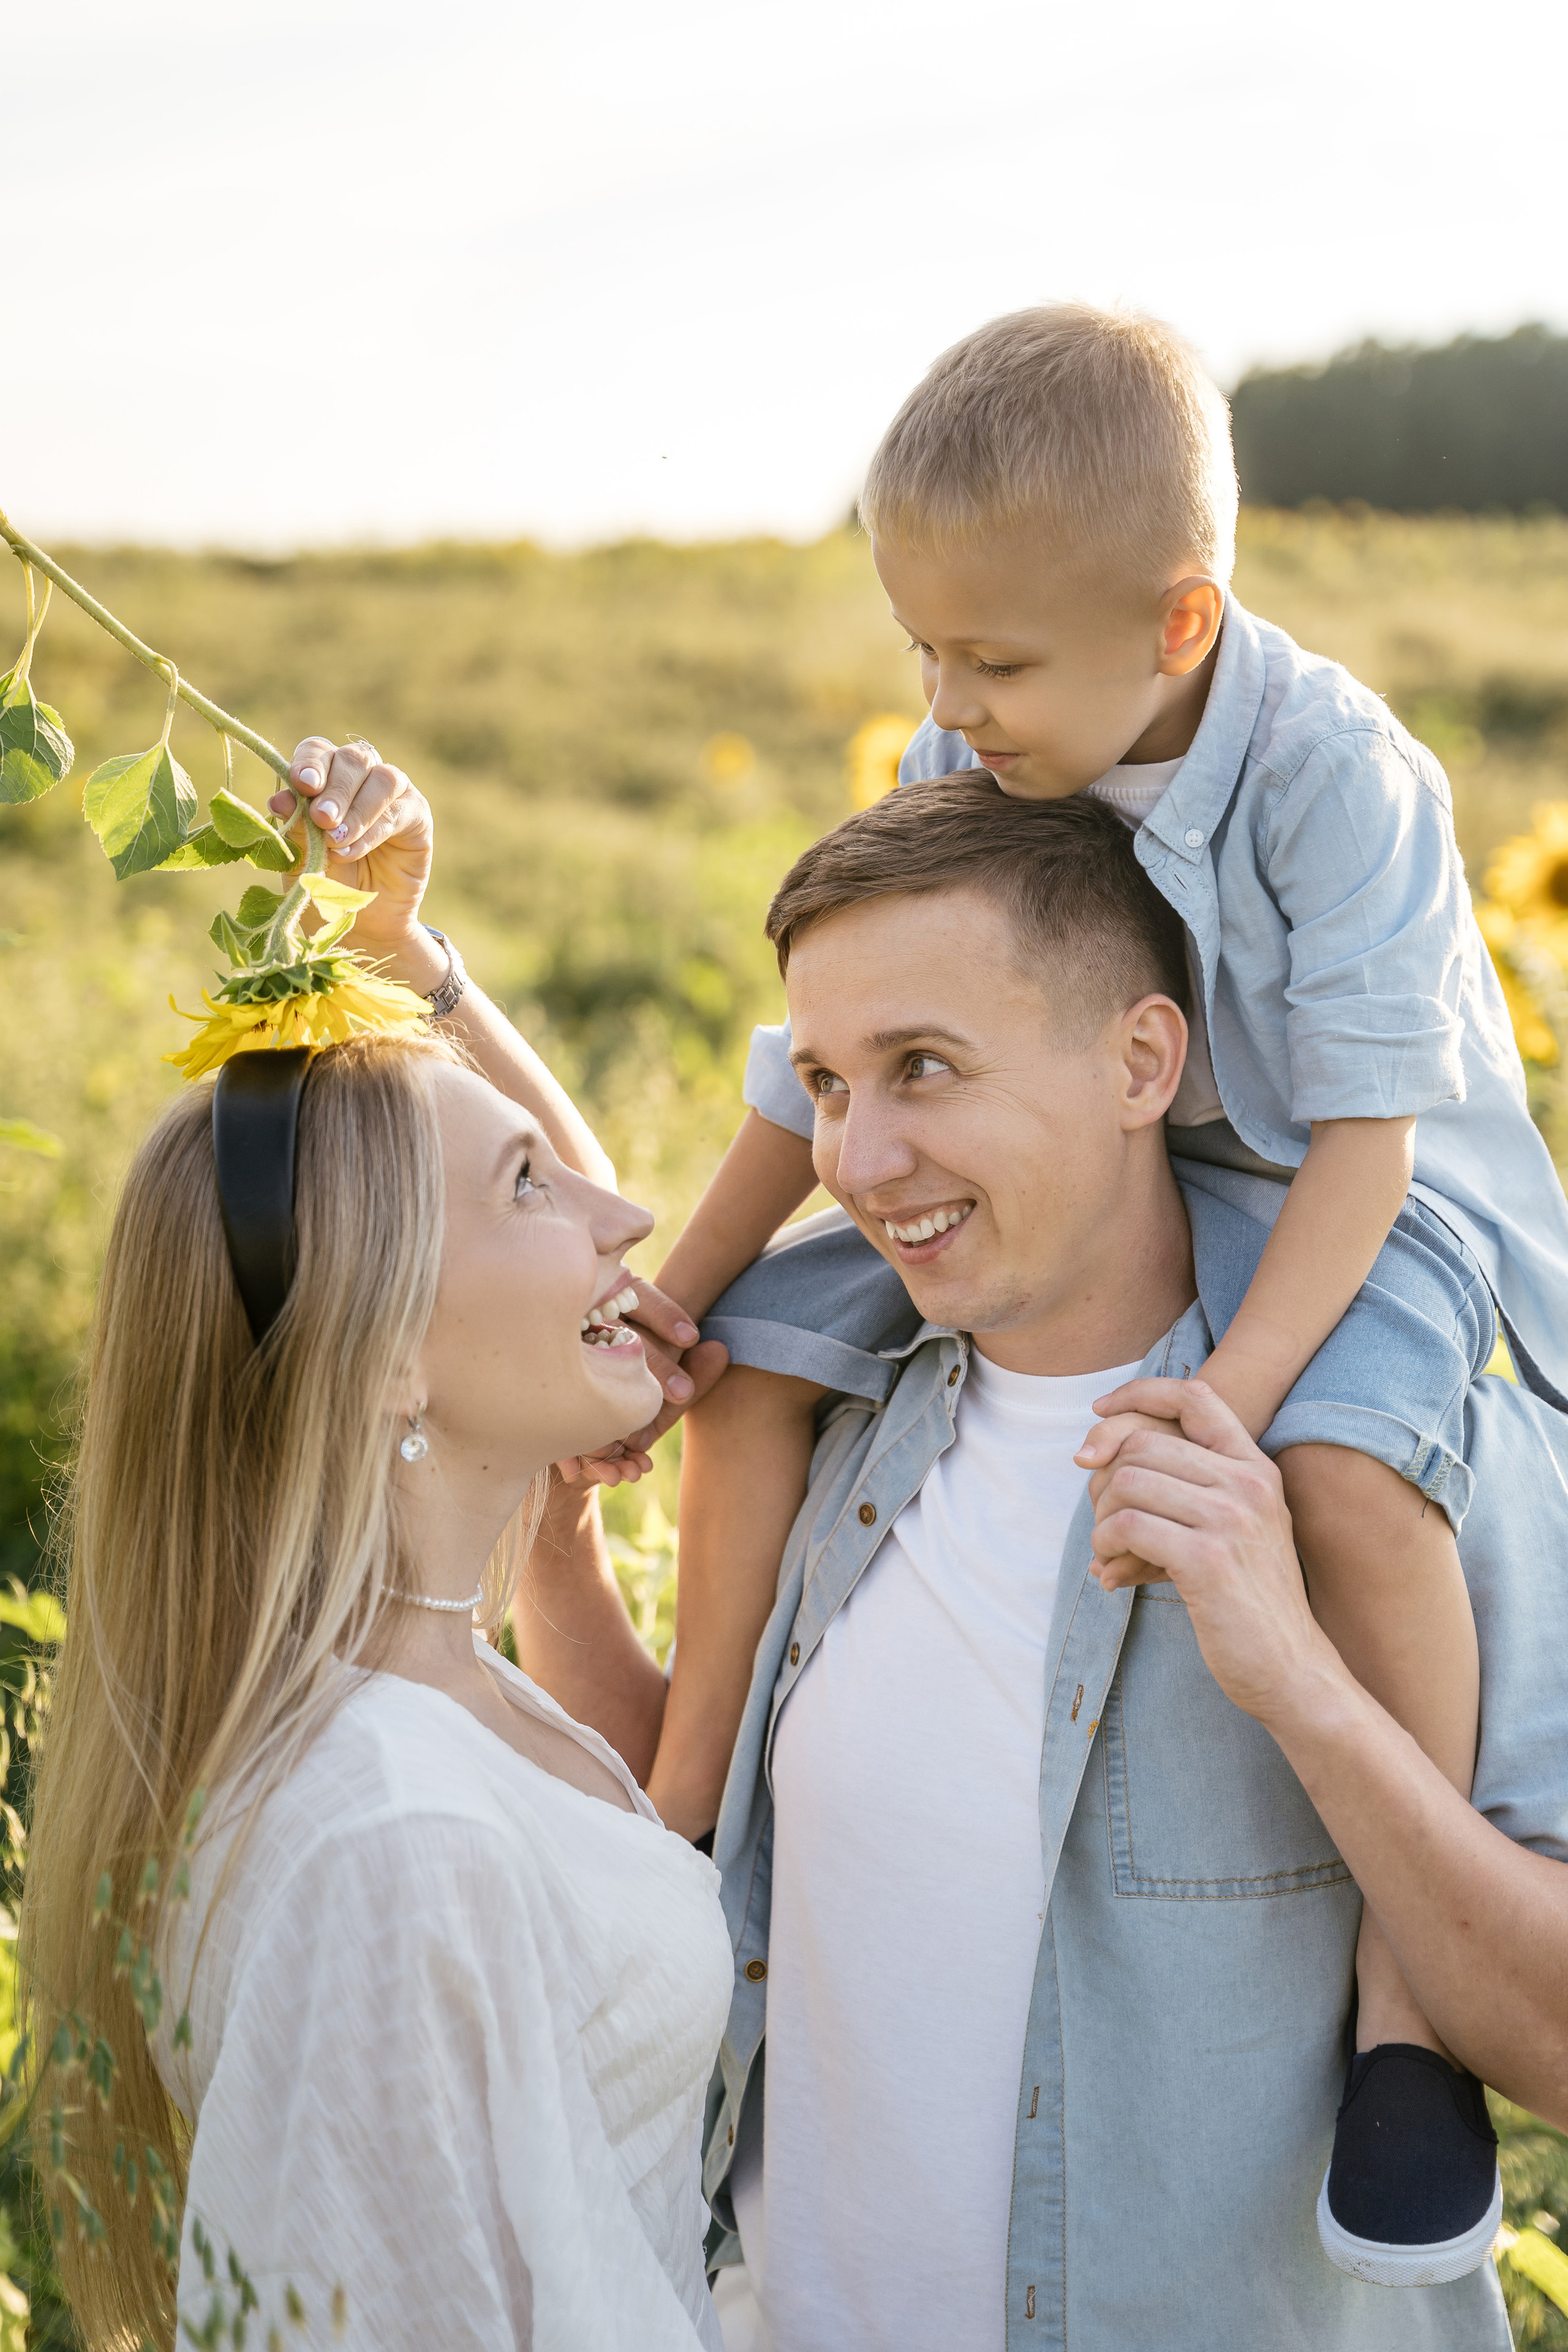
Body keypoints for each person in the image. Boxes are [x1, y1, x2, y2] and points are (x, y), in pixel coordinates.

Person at [647, 303, 1568, 2277]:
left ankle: (1406, 2023)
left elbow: (1371, 1140)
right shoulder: (975, 743)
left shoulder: (1337, 776)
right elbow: (807, 1057)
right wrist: (682, 1290)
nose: (945, 702)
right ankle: (680, 1825)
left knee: (1343, 1476)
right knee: (753, 1359)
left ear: (1178, 624)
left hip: (1383, 1207)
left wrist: (1227, 1400)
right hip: (1151, 1162)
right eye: (923, 649)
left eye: (990, 661)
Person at [688, 780, 1568, 2352]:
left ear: (1141, 1063)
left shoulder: (1403, 1459)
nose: (857, 1158)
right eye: (823, 1082)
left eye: (923, 1068)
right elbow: (675, 1848)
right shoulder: (815, 1419)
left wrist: (1295, 1681)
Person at [20, 745, 726, 2351]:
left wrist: (406, 956)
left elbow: (580, 1250)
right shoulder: (392, 1839)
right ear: (389, 1354)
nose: (623, 1227)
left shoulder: (430, 1681)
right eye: (531, 1189)